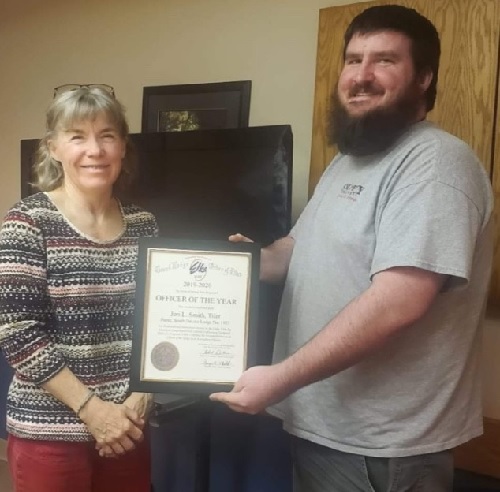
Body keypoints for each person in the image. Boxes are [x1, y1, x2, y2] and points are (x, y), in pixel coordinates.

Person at [211, 5, 494, 492]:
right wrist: (237, 263)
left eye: (384, 60)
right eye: (353, 59)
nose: (361, 76)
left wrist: (279, 378)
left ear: (423, 77)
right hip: (327, 425)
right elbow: (297, 253)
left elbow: (400, 300)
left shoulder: (436, 163)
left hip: (383, 446)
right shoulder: (348, 162)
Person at [0, 85, 158, 492]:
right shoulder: (27, 221)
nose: (95, 150)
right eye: (77, 136)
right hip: (49, 433)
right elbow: (18, 332)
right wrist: (92, 411)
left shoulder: (144, 225)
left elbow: (159, 321)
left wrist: (143, 395)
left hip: (128, 427)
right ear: (53, 148)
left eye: (107, 135)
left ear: (123, 146)